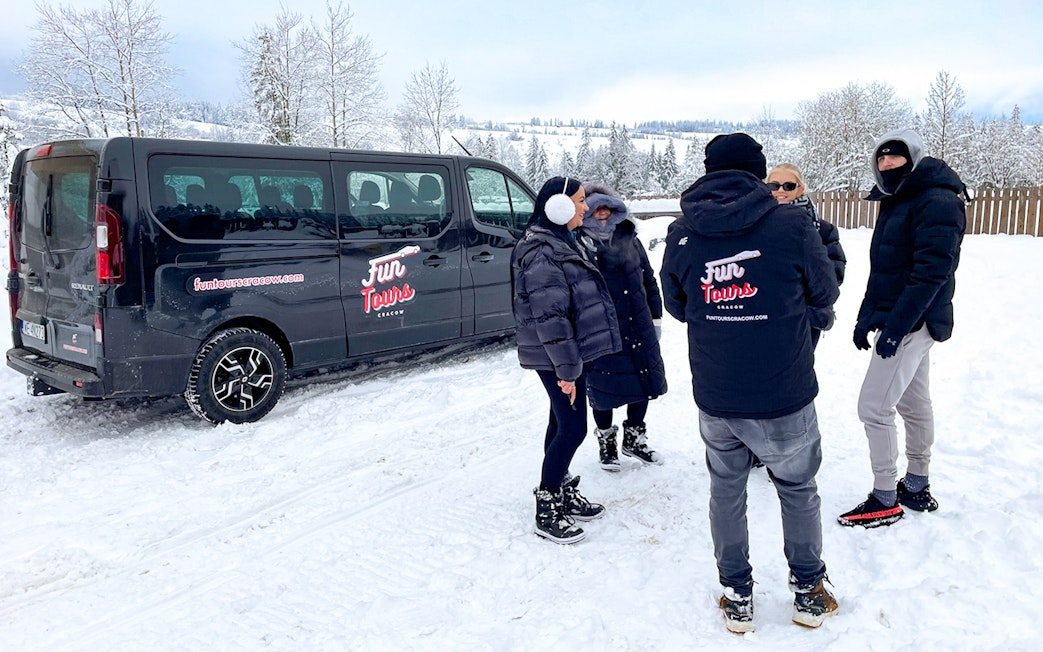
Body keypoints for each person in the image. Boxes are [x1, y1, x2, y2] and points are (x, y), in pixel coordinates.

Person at [660, 133, 840, 632]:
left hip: (718, 394)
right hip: (785, 392)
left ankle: (736, 594)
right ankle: (807, 590)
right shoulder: (792, 224)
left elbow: (676, 305)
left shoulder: (683, 232)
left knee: (726, 489)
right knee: (798, 488)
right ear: (756, 173)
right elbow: (824, 290)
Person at [837, 129, 967, 528]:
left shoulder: (938, 200)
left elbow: (931, 274)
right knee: (913, 403)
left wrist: (895, 329)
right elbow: (887, 271)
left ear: (913, 158)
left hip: (914, 320)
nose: (887, 164)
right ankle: (916, 483)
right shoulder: (902, 199)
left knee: (873, 407)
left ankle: (884, 497)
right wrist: (865, 317)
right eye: (881, 159)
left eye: (895, 157)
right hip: (902, 317)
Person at [511, 176, 622, 544]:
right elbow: (551, 319)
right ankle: (546, 504)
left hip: (566, 353)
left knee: (560, 423)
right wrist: (567, 369)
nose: (586, 207)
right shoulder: (543, 251)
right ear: (557, 207)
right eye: (578, 201)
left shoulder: (562, 241)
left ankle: (560, 489)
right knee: (573, 429)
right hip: (557, 355)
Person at [577, 182, 668, 472]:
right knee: (603, 384)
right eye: (595, 208)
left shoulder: (629, 237)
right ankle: (607, 442)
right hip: (600, 327)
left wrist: (655, 317)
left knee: (641, 379)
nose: (602, 214)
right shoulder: (578, 243)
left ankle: (635, 437)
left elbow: (648, 280)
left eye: (607, 207)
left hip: (636, 322)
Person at [766, 163, 847, 348]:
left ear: (800, 188)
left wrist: (803, 301)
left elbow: (834, 272)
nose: (780, 191)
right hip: (765, 315)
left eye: (788, 186)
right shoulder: (756, 226)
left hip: (805, 317)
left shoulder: (822, 229)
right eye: (774, 185)